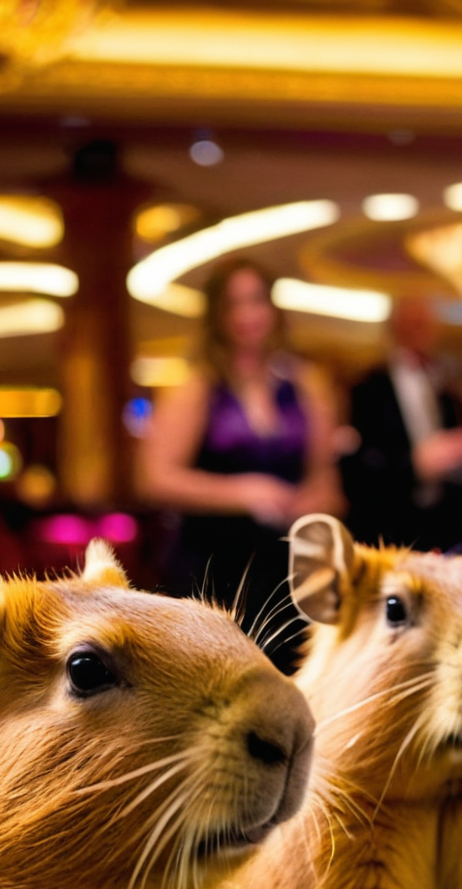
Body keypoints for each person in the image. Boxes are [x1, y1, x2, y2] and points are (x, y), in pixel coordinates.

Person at [139, 256, 343, 669]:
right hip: (214, 566)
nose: (247, 315)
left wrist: (313, 499)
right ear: (217, 316)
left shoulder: (307, 384)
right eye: (234, 304)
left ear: (273, 309)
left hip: (289, 565)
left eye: (256, 301)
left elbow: (327, 478)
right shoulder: (196, 387)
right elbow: (154, 478)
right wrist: (244, 492)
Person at [340, 296, 462, 552]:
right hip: (388, 526)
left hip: (443, 528)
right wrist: (414, 465)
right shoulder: (369, 386)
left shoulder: (447, 385)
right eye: (412, 323)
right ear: (395, 328)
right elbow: (358, 469)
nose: (420, 331)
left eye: (425, 323)